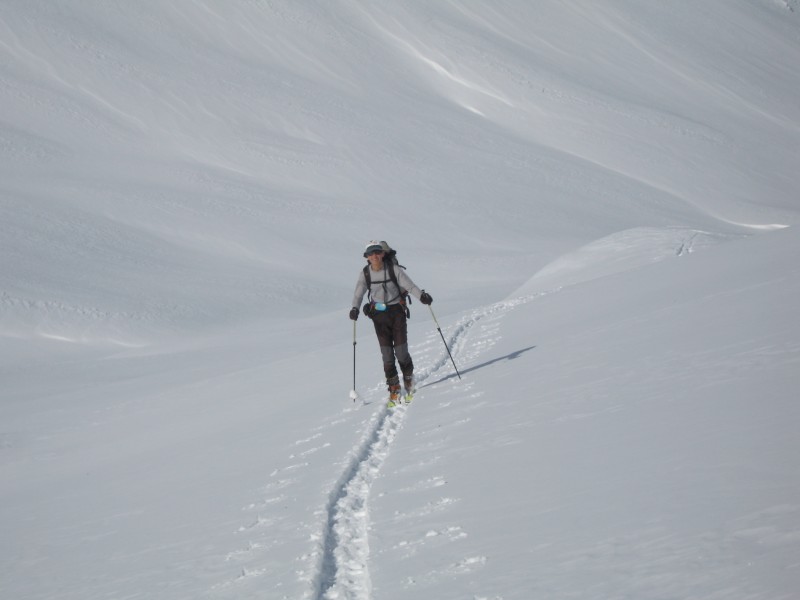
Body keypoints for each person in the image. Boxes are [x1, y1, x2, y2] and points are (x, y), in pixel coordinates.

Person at [349, 241, 432, 403]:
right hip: (379, 316)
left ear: (382, 254)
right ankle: (393, 387)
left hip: (397, 313)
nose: (374, 256)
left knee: (401, 352)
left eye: (377, 253)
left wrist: (422, 296)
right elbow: (358, 293)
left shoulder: (394, 270)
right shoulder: (365, 273)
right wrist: (355, 308)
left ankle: (408, 379)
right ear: (366, 257)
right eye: (370, 254)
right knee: (387, 354)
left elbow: (410, 285)